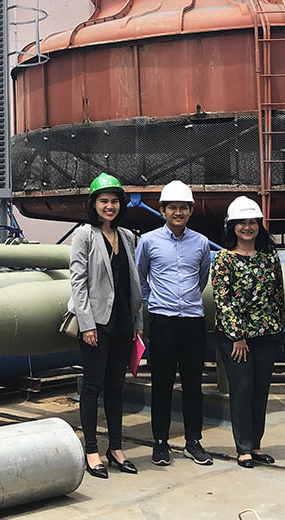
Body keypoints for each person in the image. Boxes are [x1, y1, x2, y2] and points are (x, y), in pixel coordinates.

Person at [68, 173, 144, 479]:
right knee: (92, 386)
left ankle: (116, 447)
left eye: (114, 201)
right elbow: (78, 282)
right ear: (93, 204)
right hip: (96, 325)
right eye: (104, 201)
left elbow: (133, 284)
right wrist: (87, 324)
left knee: (116, 387)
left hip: (123, 323)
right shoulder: (84, 236)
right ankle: (91, 450)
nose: (109, 206)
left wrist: (137, 321)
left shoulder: (127, 237)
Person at [135, 180, 214, 467]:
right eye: (173, 208)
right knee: (162, 384)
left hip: (193, 320)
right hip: (163, 320)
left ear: (191, 210)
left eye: (183, 208)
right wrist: (152, 302)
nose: (178, 212)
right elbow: (140, 277)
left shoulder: (201, 243)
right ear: (163, 210)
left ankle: (193, 441)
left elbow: (201, 278)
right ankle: (160, 442)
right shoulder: (148, 241)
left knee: (194, 385)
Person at [211, 196, 284, 468]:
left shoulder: (269, 257)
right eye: (241, 222)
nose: (247, 227)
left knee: (260, 390)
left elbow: (277, 293)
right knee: (242, 388)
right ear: (232, 226)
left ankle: (255, 445)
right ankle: (242, 447)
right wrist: (237, 336)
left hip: (267, 334)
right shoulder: (224, 259)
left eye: (252, 222)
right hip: (236, 339)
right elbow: (223, 300)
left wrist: (276, 326)